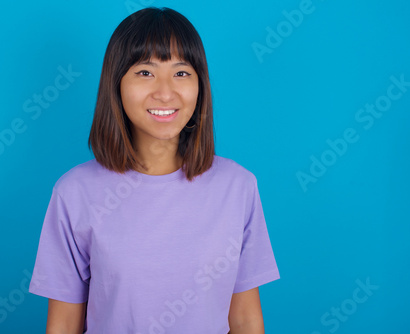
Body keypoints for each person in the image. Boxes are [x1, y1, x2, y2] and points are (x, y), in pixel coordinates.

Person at [29, 6, 280, 334]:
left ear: (200, 84)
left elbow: (246, 320)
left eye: (181, 72)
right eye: (145, 72)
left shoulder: (238, 187)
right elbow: (63, 325)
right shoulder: (74, 192)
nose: (165, 92)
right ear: (116, 84)